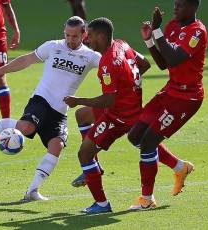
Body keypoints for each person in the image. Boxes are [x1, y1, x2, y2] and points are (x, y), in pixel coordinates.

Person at [0, 16, 102, 202]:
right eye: (67, 35)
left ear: (84, 35)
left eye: (75, 36)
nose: (70, 40)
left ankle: (32, 192)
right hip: (41, 100)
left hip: (60, 111)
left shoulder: (91, 56)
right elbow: (26, 60)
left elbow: (112, 65)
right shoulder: (53, 46)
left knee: (57, 146)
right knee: (26, 127)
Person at [63, 17, 150, 214]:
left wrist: (78, 100)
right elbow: (144, 64)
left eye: (90, 36)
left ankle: (101, 204)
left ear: (101, 36)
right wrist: (130, 90)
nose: (86, 40)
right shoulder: (122, 44)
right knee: (83, 116)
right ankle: (94, 166)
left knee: (84, 153)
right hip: (127, 107)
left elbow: (108, 100)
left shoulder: (108, 63)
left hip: (118, 116)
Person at [127, 0, 208, 210]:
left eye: (180, 5)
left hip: (186, 98)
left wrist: (157, 30)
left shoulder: (197, 32)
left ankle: (147, 199)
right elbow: (164, 64)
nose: (175, 8)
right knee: (135, 136)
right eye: (175, 4)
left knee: (147, 143)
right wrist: (149, 41)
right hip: (170, 90)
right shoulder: (172, 25)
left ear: (193, 7)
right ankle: (180, 167)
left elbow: (174, 59)